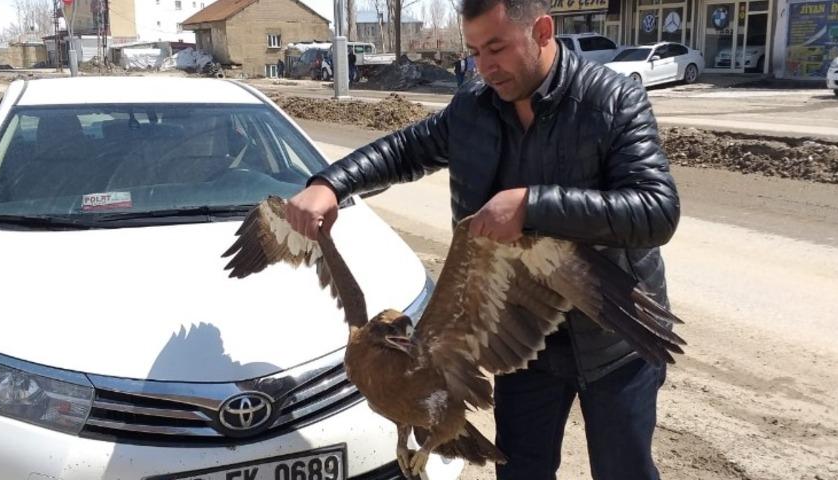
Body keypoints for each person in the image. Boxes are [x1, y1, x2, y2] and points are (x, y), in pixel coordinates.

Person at [285, 0, 680, 479]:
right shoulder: (473, 106)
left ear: (541, 30)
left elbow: (656, 211)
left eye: (497, 48)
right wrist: (330, 184)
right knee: (519, 473)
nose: (485, 66)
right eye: (474, 51)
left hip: (613, 332)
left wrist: (532, 205)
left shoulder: (611, 100)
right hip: (521, 336)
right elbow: (405, 149)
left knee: (624, 472)